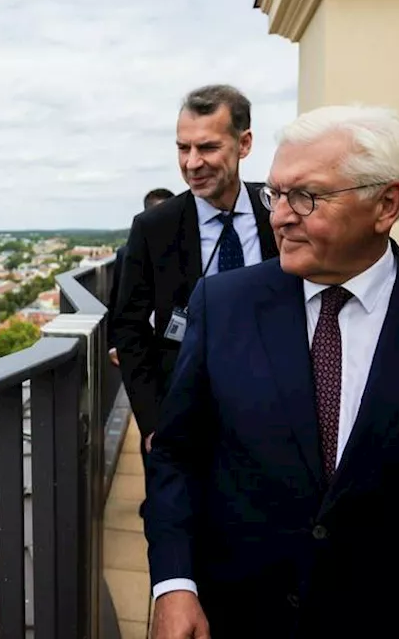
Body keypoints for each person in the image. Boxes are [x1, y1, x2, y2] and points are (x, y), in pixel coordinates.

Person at [145, 104, 399, 638]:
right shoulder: (224, 303)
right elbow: (178, 455)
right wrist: (174, 585)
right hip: (240, 616)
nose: (279, 215)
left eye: (307, 196)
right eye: (275, 194)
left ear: (385, 204)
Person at [113, 85, 279, 453]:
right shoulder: (153, 227)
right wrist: (154, 422)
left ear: (245, 143)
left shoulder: (280, 211)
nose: (191, 163)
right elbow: (128, 327)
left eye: (207, 147)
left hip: (272, 412)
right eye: (182, 148)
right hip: (181, 417)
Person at [108, 188, 175, 367]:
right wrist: (114, 345)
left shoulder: (188, 250)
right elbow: (118, 301)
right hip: (141, 344)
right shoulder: (126, 254)